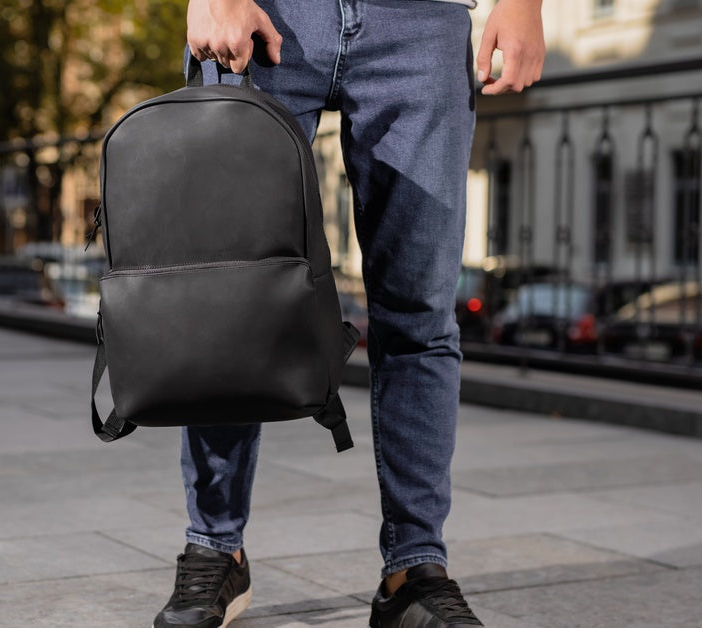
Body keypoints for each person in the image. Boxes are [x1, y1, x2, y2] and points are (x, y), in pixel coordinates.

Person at [153, 0, 545, 626]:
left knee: (420, 313)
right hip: (265, 11)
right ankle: (216, 547)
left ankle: (413, 571)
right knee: (227, 297)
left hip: (422, 21)